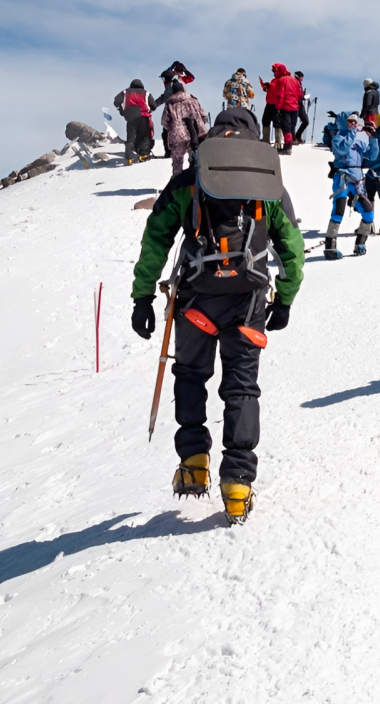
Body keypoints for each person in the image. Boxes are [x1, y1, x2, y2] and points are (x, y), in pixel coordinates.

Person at [128, 107, 304, 525]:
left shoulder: (191, 180)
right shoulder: (266, 185)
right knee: (241, 387)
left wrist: (142, 298)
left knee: (190, 375)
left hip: (195, 302)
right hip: (249, 301)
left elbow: (156, 238)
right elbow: (291, 248)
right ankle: (238, 485)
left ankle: (193, 462)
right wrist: (285, 300)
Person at [324, 112, 374, 259]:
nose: (353, 123)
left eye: (354, 121)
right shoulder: (338, 137)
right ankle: (330, 247)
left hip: (357, 181)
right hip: (342, 179)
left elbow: (371, 156)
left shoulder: (358, 139)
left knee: (368, 211)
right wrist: (353, 133)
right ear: (342, 122)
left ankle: (360, 243)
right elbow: (343, 149)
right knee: (338, 211)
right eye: (349, 121)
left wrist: (373, 139)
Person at [160, 78, 209, 174]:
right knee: (195, 159)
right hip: (194, 134)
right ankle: (195, 180)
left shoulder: (170, 104)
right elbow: (204, 115)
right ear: (183, 89)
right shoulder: (193, 100)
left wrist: (172, 128)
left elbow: (164, 122)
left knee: (177, 163)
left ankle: (177, 184)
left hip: (178, 136)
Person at [260, 63, 301, 154]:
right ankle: (269, 141)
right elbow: (299, 94)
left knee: (279, 123)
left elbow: (280, 94)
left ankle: (280, 143)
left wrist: (278, 106)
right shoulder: (285, 80)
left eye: (274, 70)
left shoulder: (281, 80)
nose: (273, 72)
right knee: (268, 121)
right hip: (277, 103)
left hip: (280, 104)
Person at [113, 79, 154, 164]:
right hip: (143, 117)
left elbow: (116, 101)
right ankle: (144, 155)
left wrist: (121, 111)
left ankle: (129, 158)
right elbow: (153, 105)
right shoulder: (146, 93)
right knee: (144, 136)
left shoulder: (125, 92)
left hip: (131, 117)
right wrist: (149, 110)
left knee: (131, 136)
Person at [294, 71, 310, 144]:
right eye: (302, 77)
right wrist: (303, 97)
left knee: (305, 121)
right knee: (293, 121)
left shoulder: (299, 83)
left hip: (299, 104)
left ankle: (297, 136)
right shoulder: (295, 82)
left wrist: (303, 96)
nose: (302, 79)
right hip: (295, 103)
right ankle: (294, 137)